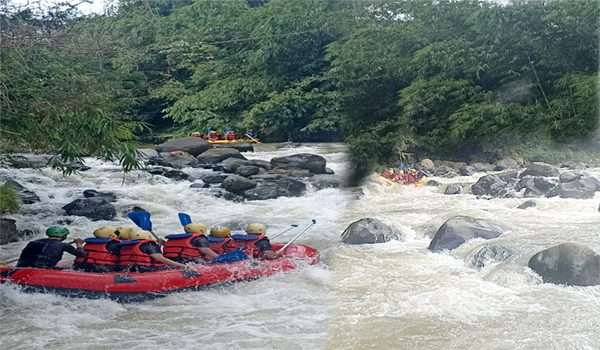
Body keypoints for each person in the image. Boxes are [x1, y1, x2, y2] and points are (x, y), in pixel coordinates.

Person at [118, 230, 189, 272]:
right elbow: (160, 258)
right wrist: (183, 266)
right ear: (148, 237)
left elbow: (148, 253)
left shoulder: (126, 245)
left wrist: (159, 245)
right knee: (171, 267)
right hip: (145, 270)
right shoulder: (149, 244)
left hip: (129, 270)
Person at [17, 226, 86, 269]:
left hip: (22, 267)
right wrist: (79, 244)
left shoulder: (33, 242)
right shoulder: (63, 245)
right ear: (64, 236)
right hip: (42, 269)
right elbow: (81, 254)